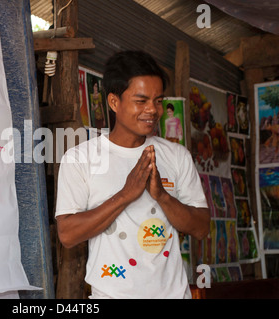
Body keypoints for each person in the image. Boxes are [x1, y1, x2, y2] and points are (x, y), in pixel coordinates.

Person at [55, 50, 210, 299]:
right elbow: (67, 235)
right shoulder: (80, 159)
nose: (152, 110)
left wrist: (162, 196)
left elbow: (202, 228)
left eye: (158, 101)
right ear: (114, 102)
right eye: (141, 101)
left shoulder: (176, 156)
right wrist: (126, 195)